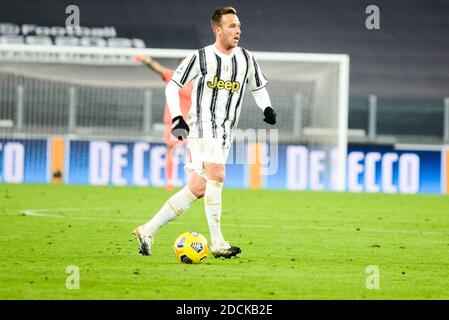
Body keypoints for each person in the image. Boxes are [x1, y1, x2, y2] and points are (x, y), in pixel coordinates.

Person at [133, 6, 277, 258]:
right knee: (218, 173)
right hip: (201, 126)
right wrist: (178, 117)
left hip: (225, 132)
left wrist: (267, 106)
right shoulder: (200, 57)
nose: (238, 30)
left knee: (198, 188)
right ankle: (218, 243)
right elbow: (172, 86)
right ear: (217, 29)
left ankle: (147, 230)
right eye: (232, 26)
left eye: (239, 26)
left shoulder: (246, 58)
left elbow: (258, 87)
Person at [134, 54, 193, 190]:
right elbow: (159, 69)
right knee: (172, 150)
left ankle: (192, 181)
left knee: (194, 151)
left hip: (193, 122)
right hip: (175, 121)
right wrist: (147, 61)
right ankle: (170, 180)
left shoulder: (197, 82)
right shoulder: (173, 77)